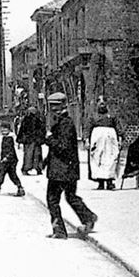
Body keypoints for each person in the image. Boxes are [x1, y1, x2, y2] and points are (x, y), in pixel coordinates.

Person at [44, 92, 97, 239]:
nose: (53, 109)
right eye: (51, 106)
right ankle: (88, 217)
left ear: (63, 105)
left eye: (55, 106)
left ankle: (60, 230)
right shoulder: (62, 122)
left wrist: (49, 139)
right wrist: (46, 160)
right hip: (66, 169)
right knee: (70, 196)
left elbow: (63, 147)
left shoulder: (65, 124)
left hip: (62, 170)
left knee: (52, 199)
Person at [88, 102, 120, 190]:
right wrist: (87, 139)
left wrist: (120, 137)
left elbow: (118, 127)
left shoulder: (112, 117)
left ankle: (109, 181)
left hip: (110, 138)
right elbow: (89, 127)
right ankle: (100, 182)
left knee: (110, 158)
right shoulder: (94, 117)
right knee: (97, 158)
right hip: (97, 138)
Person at [0, 121, 24, 197]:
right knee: (5, 174)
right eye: (2, 130)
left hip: (10, 160)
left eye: (5, 130)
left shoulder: (9, 139)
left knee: (10, 174)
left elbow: (10, 150)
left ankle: (18, 187)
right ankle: (0, 187)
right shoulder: (5, 138)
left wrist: (6, 158)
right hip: (7, 159)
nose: (3, 132)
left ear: (8, 130)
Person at [18, 106, 45, 175]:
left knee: (29, 155)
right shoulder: (38, 120)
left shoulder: (26, 120)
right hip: (35, 140)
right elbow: (42, 130)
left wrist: (20, 139)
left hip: (29, 140)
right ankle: (37, 168)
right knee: (36, 155)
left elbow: (22, 130)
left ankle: (27, 169)